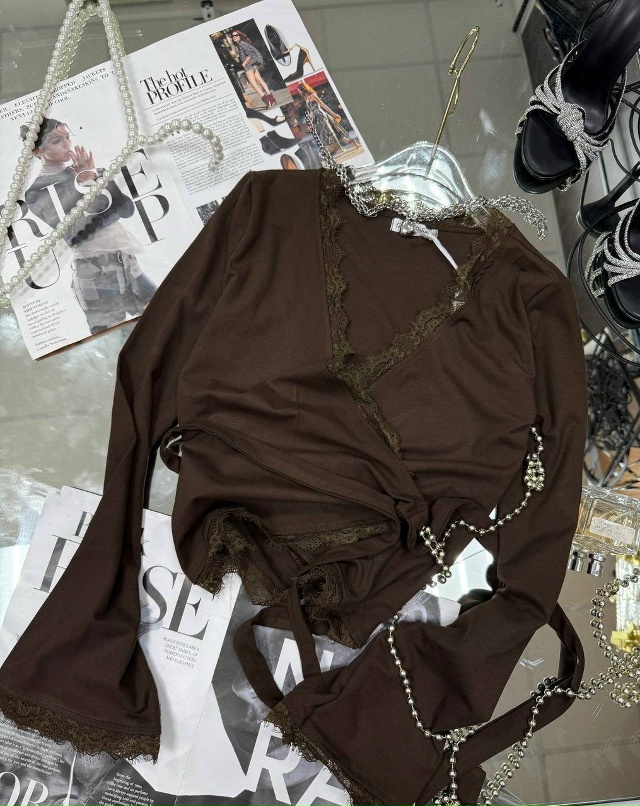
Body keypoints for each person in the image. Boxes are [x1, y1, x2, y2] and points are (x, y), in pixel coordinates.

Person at [19, 117, 156, 334]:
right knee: (119, 339)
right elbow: (78, 234)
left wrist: (93, 178)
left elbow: (127, 210)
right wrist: (88, 183)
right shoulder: (37, 192)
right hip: (95, 273)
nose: (67, 144)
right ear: (37, 151)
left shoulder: (90, 171)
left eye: (67, 137)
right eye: (56, 140)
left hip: (129, 264)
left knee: (167, 316)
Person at [297, 81, 357, 151]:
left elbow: (323, 105)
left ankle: (337, 148)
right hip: (317, 119)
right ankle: (352, 143)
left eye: (299, 90)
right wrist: (309, 122)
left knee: (329, 133)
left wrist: (333, 114)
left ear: (303, 89)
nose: (299, 92)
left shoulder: (313, 96)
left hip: (322, 116)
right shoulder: (306, 100)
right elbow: (311, 112)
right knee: (332, 132)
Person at [230, 30, 277, 109]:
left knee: (253, 84)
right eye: (233, 36)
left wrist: (244, 63)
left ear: (239, 36)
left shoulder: (241, 44)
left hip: (249, 64)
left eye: (236, 35)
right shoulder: (242, 43)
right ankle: (271, 99)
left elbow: (249, 55)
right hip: (255, 62)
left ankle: (267, 101)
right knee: (259, 80)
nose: (234, 37)